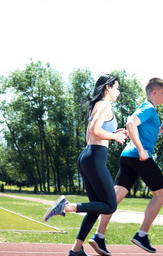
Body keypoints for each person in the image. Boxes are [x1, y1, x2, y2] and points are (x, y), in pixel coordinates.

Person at [43, 74, 128, 256]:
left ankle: (76, 249)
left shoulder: (96, 106)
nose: (118, 92)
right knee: (110, 205)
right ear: (108, 87)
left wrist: (114, 132)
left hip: (88, 156)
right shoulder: (105, 105)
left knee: (96, 206)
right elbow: (94, 131)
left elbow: (91, 136)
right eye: (117, 88)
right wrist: (115, 136)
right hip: (95, 158)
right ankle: (65, 207)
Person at [90, 77, 163, 255]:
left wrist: (161, 130)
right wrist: (142, 150)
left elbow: (145, 135)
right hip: (138, 157)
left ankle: (99, 236)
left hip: (128, 157)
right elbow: (130, 123)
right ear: (154, 92)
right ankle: (142, 234)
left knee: (114, 199)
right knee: (161, 195)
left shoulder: (149, 111)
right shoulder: (148, 108)